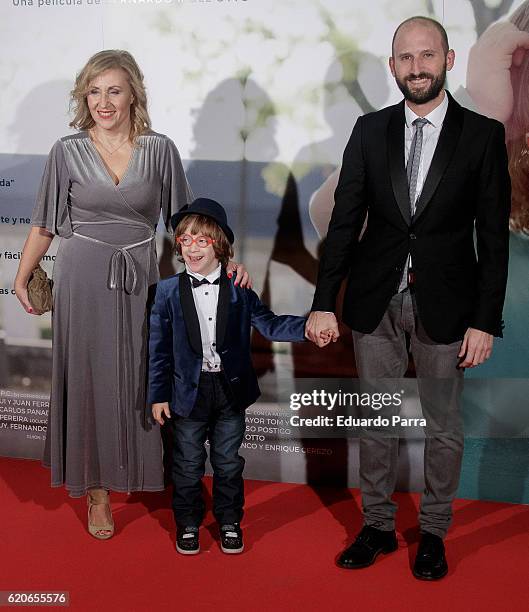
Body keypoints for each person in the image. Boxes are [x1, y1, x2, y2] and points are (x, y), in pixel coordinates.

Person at [306, 16, 511, 579]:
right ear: (393, 65)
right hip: (376, 302)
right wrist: (325, 301)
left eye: (426, 56)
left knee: (443, 424)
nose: (416, 68)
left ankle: (434, 532)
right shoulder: (369, 131)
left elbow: (493, 240)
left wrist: (486, 321)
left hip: (449, 307)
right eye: (405, 58)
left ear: (448, 57)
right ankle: (376, 525)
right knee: (377, 419)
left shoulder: (482, 135)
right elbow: (344, 223)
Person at [13, 50, 249, 540]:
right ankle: (97, 492)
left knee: (143, 375)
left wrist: (226, 263)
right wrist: (23, 273)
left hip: (142, 277)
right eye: (94, 91)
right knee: (89, 379)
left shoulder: (160, 150)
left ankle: (149, 471)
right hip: (81, 279)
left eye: (114, 90)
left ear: (133, 94)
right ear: (84, 96)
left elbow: (188, 225)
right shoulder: (66, 150)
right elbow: (43, 223)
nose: (103, 101)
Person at [148, 197, 327, 554]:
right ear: (178, 246)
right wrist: (157, 394)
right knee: (186, 465)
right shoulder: (166, 292)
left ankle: (229, 521)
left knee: (228, 462)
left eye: (202, 240)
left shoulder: (239, 288)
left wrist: (307, 328)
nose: (193, 247)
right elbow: (159, 349)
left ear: (220, 245)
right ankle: (187, 524)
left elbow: (271, 324)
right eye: (186, 239)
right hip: (188, 392)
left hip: (230, 391)